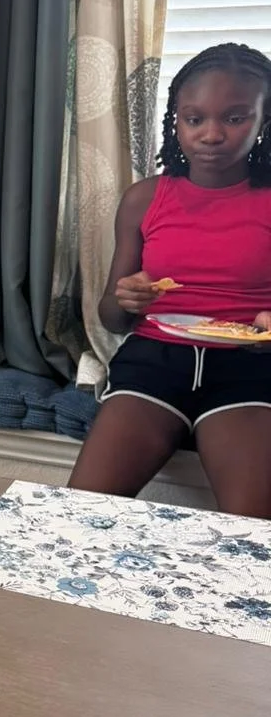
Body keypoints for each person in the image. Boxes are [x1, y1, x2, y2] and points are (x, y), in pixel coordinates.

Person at [69, 42, 271, 516]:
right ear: (174, 120)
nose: (211, 134)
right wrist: (129, 297)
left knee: (254, 533)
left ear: (265, 121)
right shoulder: (145, 198)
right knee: (79, 513)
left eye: (235, 118)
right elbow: (113, 319)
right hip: (153, 364)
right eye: (194, 118)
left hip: (247, 372)